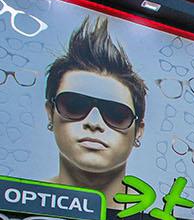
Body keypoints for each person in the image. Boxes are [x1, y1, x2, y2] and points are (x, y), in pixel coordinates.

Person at [44, 17, 147, 202]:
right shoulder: (23, 202)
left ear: (138, 131)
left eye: (116, 115)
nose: (94, 123)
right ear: (50, 113)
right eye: (74, 106)